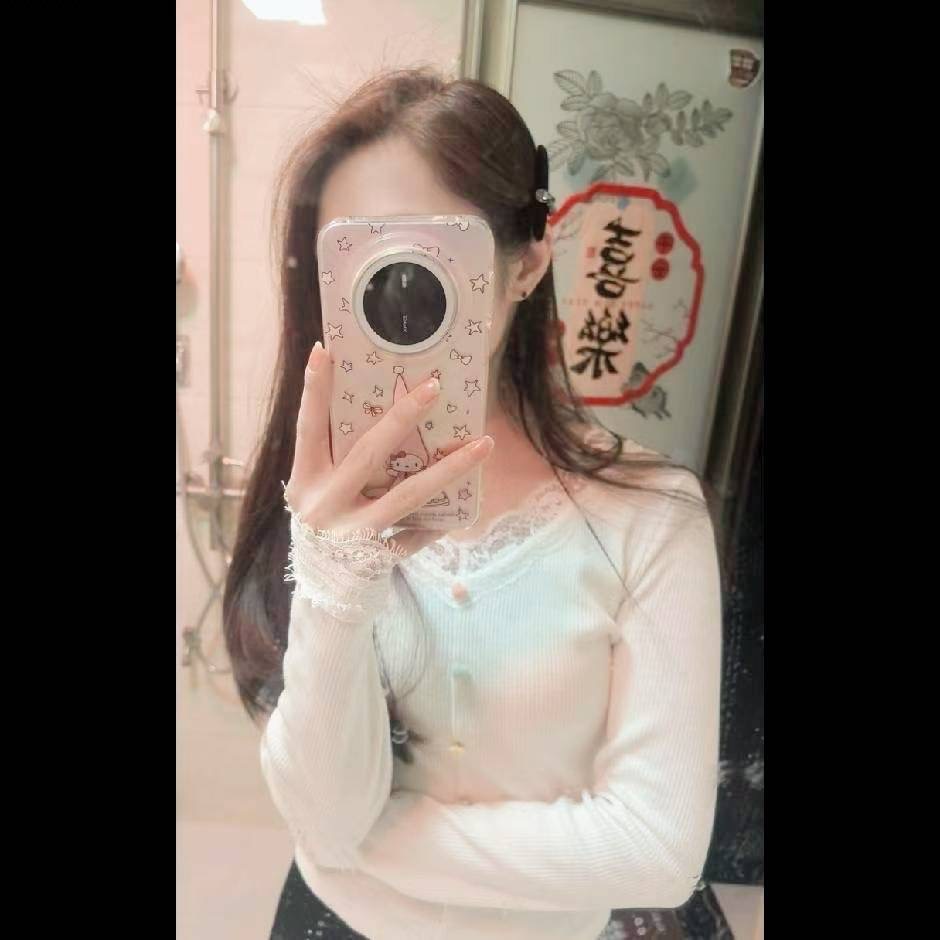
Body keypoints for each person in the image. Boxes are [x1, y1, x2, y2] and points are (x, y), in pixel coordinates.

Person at [223, 68, 722, 940]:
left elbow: (656, 849)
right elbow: (323, 814)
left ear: (526, 262)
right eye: (357, 258)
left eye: (425, 254)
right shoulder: (314, 498)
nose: (394, 293)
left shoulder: (651, 517)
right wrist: (334, 577)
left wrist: (365, 845)